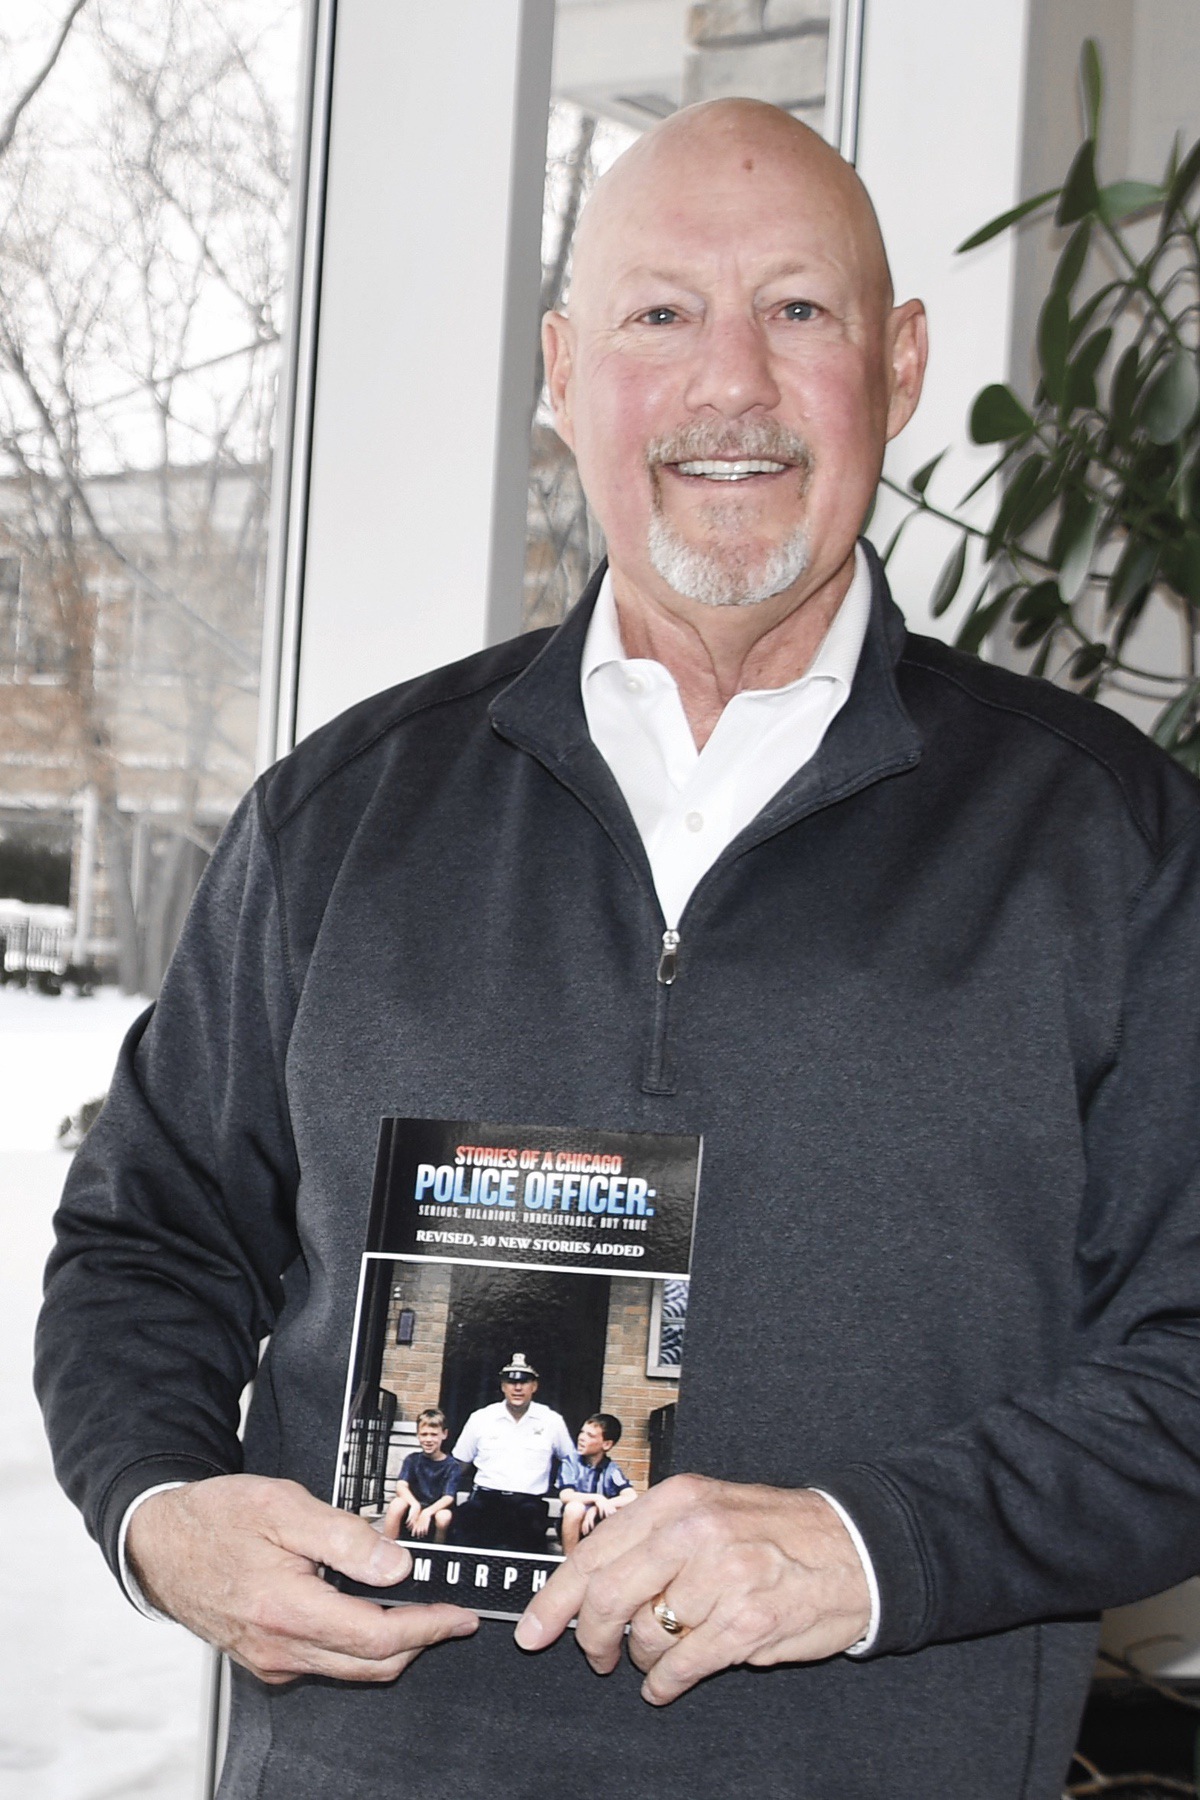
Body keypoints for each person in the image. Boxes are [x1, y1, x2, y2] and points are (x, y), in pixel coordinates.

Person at [34, 97, 1200, 1800]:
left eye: (797, 311)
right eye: (663, 315)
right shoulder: (340, 820)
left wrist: (870, 1549)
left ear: (900, 360)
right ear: (567, 375)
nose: (730, 381)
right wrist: (157, 1512)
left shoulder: (1114, 840)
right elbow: (143, 1245)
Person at [448, 1355, 574, 1553]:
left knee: (527, 1552)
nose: (518, 1388)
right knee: (467, 1535)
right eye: (511, 1382)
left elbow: (570, 1460)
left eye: (524, 1382)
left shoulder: (551, 1421)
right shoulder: (481, 1418)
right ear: (502, 1386)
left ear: (534, 1386)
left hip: (528, 1506)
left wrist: (572, 1495)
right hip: (486, 1501)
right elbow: (459, 1464)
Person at [556, 1413, 637, 1553]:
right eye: (582, 1432)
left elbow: (631, 1497)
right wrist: (597, 1498)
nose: (581, 1438)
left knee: (617, 1509)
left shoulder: (611, 1469)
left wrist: (596, 1508)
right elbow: (566, 1495)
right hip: (572, 1524)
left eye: (590, 1435)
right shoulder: (571, 1462)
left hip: (597, 1524)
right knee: (574, 1507)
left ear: (606, 1444)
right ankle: (568, 1562)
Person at [380, 1409, 463, 1543]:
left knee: (444, 1516)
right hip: (413, 1508)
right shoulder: (412, 1460)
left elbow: (448, 1497)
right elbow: (401, 1486)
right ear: (418, 1436)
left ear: (444, 1434)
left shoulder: (452, 1465)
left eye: (434, 1434)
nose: (428, 1439)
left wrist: (427, 1512)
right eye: (424, 1434)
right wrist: (415, 1505)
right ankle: (388, 1546)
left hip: (436, 1510)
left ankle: (436, 1555)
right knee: (397, 1503)